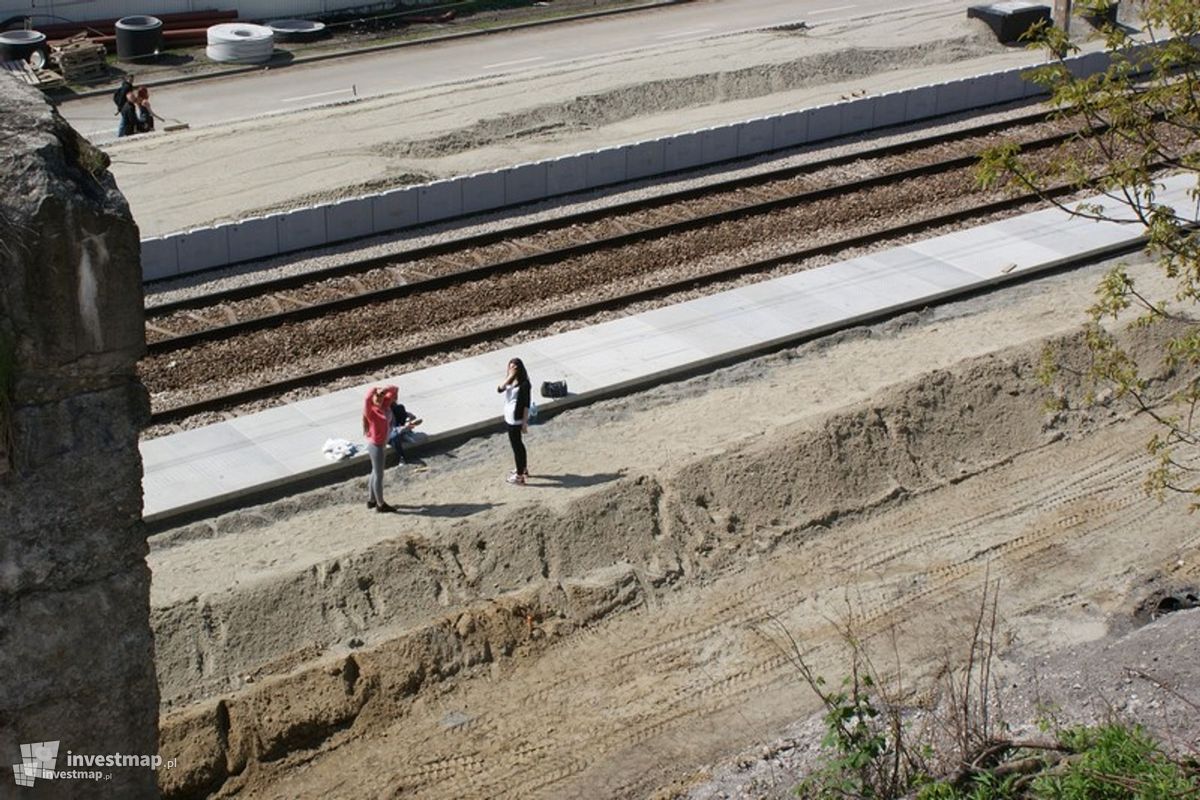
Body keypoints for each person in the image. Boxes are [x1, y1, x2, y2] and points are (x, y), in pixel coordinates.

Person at [362, 385, 398, 512]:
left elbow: (395, 389)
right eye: (376, 396)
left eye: (381, 396)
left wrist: (384, 390)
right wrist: (375, 389)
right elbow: (366, 399)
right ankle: (380, 504)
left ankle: (372, 500)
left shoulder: (384, 405)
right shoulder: (370, 411)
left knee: (374, 472)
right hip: (376, 446)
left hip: (381, 445)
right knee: (379, 475)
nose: (379, 398)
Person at [497, 357, 532, 485]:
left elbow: (526, 405)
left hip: (515, 419)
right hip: (509, 416)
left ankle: (519, 476)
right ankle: (522, 468)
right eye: (510, 366)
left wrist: (524, 422)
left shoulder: (524, 384)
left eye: (515, 367)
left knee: (517, 447)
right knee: (518, 445)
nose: (512, 369)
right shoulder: (510, 381)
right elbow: (499, 389)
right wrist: (510, 376)